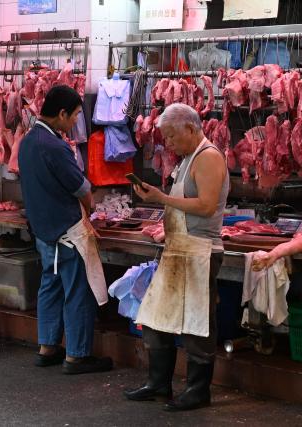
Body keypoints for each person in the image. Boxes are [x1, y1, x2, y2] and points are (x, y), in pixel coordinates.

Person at [124, 103, 229, 411]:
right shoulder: (186, 160)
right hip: (178, 250)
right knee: (156, 318)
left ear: (190, 128)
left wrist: (161, 197)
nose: (167, 144)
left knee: (197, 323)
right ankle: (158, 384)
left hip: (199, 251)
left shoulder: (208, 157)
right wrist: (159, 199)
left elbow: (207, 206)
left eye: (171, 136)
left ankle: (198, 390)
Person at [18, 85, 113, 375]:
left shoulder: (28, 141)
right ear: (61, 114)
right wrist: (94, 208)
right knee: (77, 290)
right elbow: (81, 188)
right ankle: (77, 356)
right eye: (73, 117)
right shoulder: (55, 146)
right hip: (66, 230)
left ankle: (47, 347)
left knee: (51, 284)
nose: (74, 123)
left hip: (43, 229)